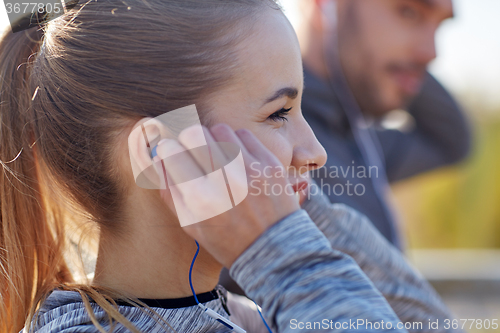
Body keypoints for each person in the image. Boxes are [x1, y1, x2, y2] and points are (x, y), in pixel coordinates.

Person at [0, 1, 460, 332]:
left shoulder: (252, 313)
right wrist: (283, 254)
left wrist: (294, 219)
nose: (316, 153)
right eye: (279, 113)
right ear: (165, 150)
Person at [295, 0, 472, 250]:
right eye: (409, 12)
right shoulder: (256, 140)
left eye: (438, 25)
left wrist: (406, 70)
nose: (431, 53)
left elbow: (450, 141)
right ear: (324, 4)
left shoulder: (363, 145)